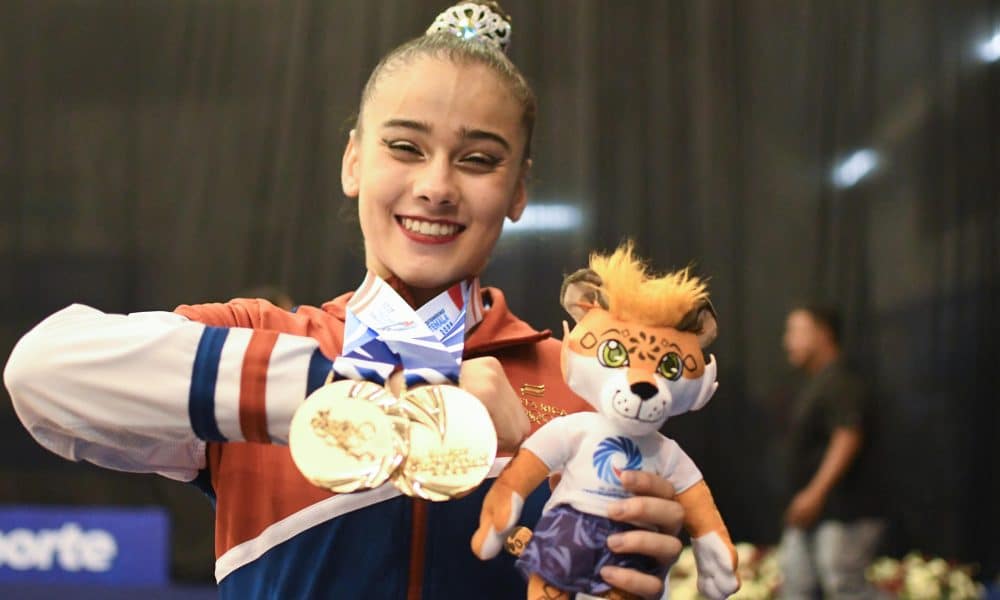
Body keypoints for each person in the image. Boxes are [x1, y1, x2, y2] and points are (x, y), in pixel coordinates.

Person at [3, 3, 687, 598]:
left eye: (478, 159)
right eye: (404, 147)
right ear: (354, 161)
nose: (437, 185)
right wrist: (376, 395)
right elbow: (41, 374)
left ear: (518, 191)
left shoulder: (585, 390)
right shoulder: (265, 341)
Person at [779, 305, 883, 599]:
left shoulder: (842, 381)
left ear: (822, 334)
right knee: (795, 585)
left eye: (795, 332)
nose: (787, 341)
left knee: (844, 585)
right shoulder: (818, 382)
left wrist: (815, 493)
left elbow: (848, 435)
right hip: (814, 513)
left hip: (843, 511)